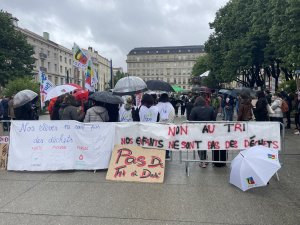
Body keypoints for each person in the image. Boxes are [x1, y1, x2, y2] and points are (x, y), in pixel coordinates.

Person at [189, 96, 215, 168]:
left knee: (200, 145)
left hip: (198, 131)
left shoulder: (194, 109)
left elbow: (191, 120)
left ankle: (203, 161)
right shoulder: (210, 108)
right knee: (205, 144)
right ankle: (205, 159)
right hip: (208, 130)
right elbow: (214, 119)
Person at [156, 93, 175, 159]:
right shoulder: (171, 106)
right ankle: (167, 153)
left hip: (159, 126)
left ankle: (159, 152)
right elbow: (173, 116)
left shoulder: (157, 105)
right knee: (167, 140)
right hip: (168, 125)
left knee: (159, 139)